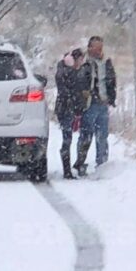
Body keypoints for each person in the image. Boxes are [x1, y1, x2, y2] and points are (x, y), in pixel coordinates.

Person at [74, 36, 117, 177]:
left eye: (100, 48)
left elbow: (111, 81)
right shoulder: (84, 62)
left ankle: (102, 165)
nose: (99, 50)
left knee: (102, 136)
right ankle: (80, 164)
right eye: (96, 47)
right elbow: (78, 82)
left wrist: (111, 98)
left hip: (103, 103)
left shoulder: (107, 62)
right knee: (86, 136)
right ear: (90, 47)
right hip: (89, 104)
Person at [55, 48, 85, 179]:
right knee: (67, 139)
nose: (81, 63)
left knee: (67, 139)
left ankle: (67, 169)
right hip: (66, 109)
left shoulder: (63, 69)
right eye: (80, 60)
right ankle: (67, 171)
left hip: (66, 109)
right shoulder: (69, 72)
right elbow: (71, 92)